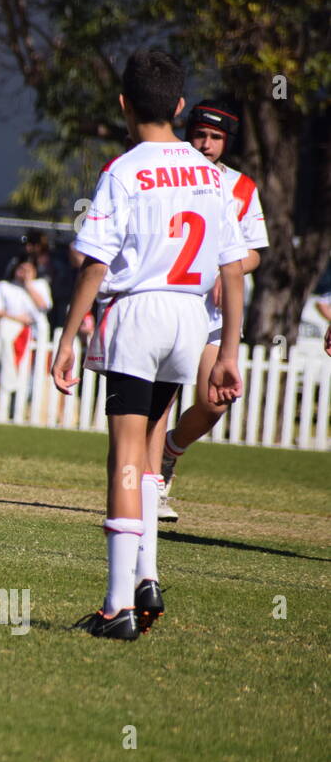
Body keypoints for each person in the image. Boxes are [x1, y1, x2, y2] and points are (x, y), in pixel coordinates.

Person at [52, 49, 247, 641]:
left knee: (125, 456)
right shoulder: (213, 176)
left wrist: (67, 337)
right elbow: (234, 269)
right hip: (192, 320)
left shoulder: (125, 170)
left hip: (138, 314)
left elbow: (93, 265)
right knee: (152, 448)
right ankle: (148, 577)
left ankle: (117, 606)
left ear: (123, 104)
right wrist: (230, 351)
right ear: (181, 106)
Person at [152, 99, 268, 521]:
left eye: (215, 137)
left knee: (214, 402)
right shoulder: (171, 175)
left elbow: (254, 251)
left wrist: (228, 271)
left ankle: (170, 450)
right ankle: (153, 490)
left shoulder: (241, 187)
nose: (205, 144)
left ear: (226, 142)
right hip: (173, 304)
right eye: (200, 134)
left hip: (214, 318)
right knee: (160, 400)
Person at [0, 255, 48, 406]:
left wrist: (28, 285)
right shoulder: (4, 286)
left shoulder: (40, 285)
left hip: (37, 335)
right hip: (12, 330)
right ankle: (7, 390)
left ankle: (26, 402)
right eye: (22, 269)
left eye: (29, 270)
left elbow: (44, 305)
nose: (24, 272)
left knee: (33, 371)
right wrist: (18, 319)